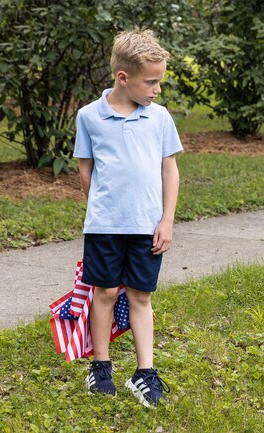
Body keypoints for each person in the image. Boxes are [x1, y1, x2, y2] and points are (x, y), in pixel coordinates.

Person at [73, 28, 183, 407]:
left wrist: (166, 220)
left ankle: (144, 373)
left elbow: (170, 170)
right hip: (104, 225)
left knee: (141, 295)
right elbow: (86, 169)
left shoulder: (160, 117)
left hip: (147, 225)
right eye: (151, 82)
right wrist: (101, 210)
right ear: (123, 77)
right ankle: (100, 367)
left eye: (159, 81)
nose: (157, 90)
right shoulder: (89, 116)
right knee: (103, 293)